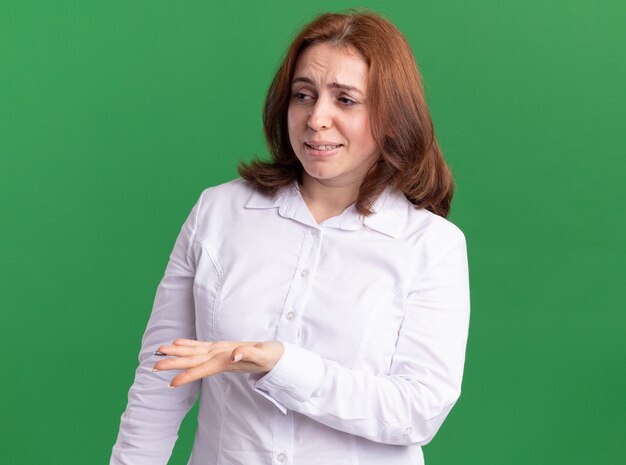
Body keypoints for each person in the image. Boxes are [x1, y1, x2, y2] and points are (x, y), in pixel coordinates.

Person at [110, 10, 470, 465]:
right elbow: (160, 379)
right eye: (304, 95)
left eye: (345, 100)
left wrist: (283, 365)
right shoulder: (218, 212)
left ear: (393, 117)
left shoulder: (431, 245)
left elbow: (418, 411)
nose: (317, 118)